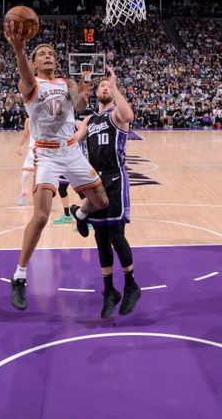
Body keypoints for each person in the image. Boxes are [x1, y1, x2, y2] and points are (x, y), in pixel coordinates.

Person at [4, 23, 108, 311]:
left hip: (71, 150)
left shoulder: (65, 83)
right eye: (43, 54)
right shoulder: (31, 84)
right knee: (40, 216)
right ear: (35, 63)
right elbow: (23, 71)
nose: (48, 56)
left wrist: (83, 91)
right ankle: (20, 276)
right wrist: (19, 48)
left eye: (51, 53)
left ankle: (80, 213)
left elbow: (76, 105)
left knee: (100, 200)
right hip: (46, 155)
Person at [73, 67, 140, 318]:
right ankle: (109, 290)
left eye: (107, 86)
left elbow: (129, 114)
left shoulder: (116, 115)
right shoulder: (90, 120)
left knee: (115, 233)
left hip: (115, 179)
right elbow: (74, 141)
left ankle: (131, 284)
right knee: (100, 237)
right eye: (101, 85)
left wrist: (115, 84)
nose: (104, 87)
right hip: (95, 182)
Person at [17, 117, 34, 206]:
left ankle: (40, 196)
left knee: (39, 177)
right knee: (25, 174)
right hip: (31, 151)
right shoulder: (28, 120)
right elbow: (26, 134)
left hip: (43, 150)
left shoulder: (44, 119)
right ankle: (24, 193)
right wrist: (20, 146)